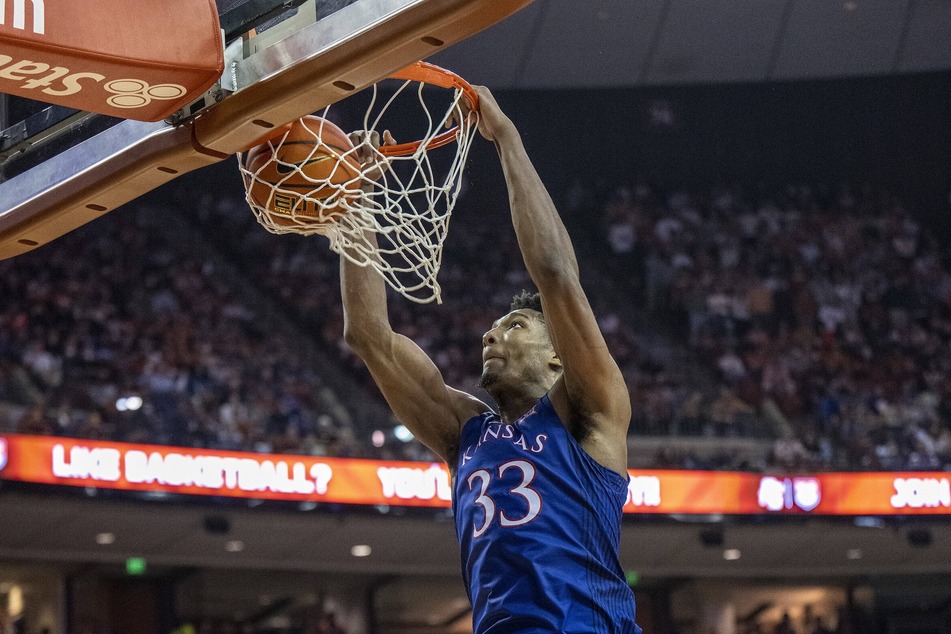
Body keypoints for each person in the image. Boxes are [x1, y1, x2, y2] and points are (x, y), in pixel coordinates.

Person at [340, 86, 640, 633]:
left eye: (514, 326)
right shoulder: (465, 434)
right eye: (494, 327)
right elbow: (367, 335)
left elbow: (554, 272)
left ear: (557, 358)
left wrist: (506, 140)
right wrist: (354, 199)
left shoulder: (588, 411)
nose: (490, 336)